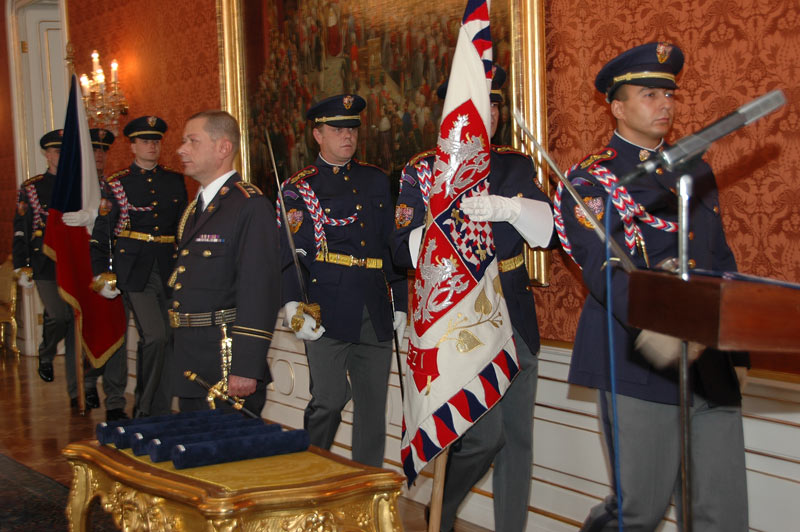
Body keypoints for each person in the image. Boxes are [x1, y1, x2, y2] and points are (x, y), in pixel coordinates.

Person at [557, 42, 749, 530]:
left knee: (720, 512)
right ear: (617, 108)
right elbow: (603, 267)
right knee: (639, 510)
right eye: (649, 94)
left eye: (669, 94)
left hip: (710, 358)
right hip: (641, 354)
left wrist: (737, 346)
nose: (665, 104)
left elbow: (719, 259)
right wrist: (658, 322)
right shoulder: (591, 180)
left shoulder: (695, 169)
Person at [392, 65, 555, 532]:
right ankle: (440, 514)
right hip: (456, 320)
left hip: (513, 312)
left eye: (496, 104)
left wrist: (512, 209)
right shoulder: (423, 169)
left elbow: (547, 234)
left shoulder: (514, 165)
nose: (492, 113)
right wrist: (439, 227)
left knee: (517, 441)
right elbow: (398, 248)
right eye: (482, 105)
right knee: (484, 437)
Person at [279, 94, 407, 468]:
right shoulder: (299, 187)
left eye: (351, 128)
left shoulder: (376, 179)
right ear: (317, 135)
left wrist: (400, 301)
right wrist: (292, 303)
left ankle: (366, 486)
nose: (347, 136)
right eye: (337, 129)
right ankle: (309, 471)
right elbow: (289, 252)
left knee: (373, 408)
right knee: (329, 399)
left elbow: (390, 245)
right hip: (325, 308)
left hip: (374, 306)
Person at [169, 110, 280, 415]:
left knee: (230, 445)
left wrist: (246, 366)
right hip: (192, 356)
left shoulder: (250, 206)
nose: (181, 150)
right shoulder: (196, 209)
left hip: (226, 360)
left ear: (223, 148)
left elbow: (259, 291)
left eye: (192, 141)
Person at [90, 115, 188, 417]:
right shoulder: (118, 183)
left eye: (156, 141)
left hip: (168, 266)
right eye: (145, 141)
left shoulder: (174, 181)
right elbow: (102, 233)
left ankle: (158, 410)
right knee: (155, 336)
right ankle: (144, 408)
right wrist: (101, 273)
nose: (152, 146)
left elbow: (183, 228)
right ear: (132, 146)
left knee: (169, 339)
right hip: (133, 270)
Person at [12, 129, 99, 410]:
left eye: (66, 152)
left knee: (77, 325)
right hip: (45, 263)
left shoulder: (83, 186)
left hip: (78, 263)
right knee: (60, 317)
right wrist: (22, 266)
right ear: (47, 154)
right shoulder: (33, 187)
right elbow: (21, 229)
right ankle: (46, 352)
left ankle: (77, 391)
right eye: (58, 152)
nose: (62, 156)